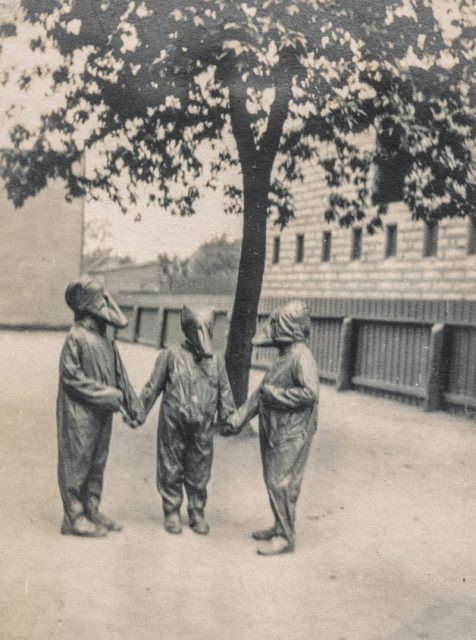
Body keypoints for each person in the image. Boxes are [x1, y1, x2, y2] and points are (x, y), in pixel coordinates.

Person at [224, 301, 319, 556]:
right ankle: (279, 525)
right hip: (276, 427)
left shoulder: (301, 357)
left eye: (277, 326)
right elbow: (261, 393)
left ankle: (285, 536)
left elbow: (309, 393)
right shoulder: (284, 356)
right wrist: (239, 417)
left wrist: (276, 395)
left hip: (293, 430)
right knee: (273, 477)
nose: (273, 331)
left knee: (281, 481)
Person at [57, 277, 143, 538]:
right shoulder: (76, 337)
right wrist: (111, 396)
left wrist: (132, 403)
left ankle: (91, 508)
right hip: (79, 415)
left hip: (102, 413)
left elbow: (120, 375)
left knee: (97, 462)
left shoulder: (106, 341)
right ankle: (73, 515)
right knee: (77, 462)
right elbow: (72, 379)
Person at [140, 305, 236, 535]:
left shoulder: (216, 362)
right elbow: (152, 388)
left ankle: (196, 511)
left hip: (203, 426)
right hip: (173, 423)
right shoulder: (170, 356)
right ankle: (171, 510)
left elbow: (225, 392)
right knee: (170, 465)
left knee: (200, 468)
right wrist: (138, 411)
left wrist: (229, 417)